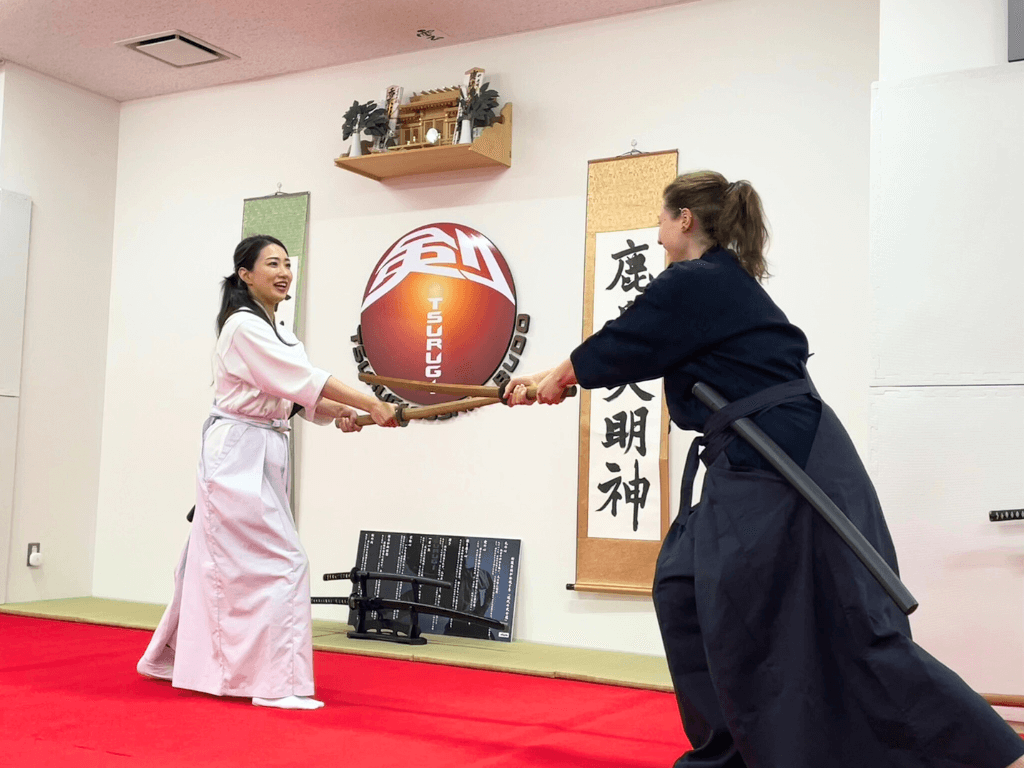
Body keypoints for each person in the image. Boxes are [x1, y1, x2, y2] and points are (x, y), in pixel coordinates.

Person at [507, 172, 1024, 767]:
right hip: (762, 457)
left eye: (661, 219)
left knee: (852, 624)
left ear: (684, 220)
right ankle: (730, 753)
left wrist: (559, 377)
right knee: (683, 585)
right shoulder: (713, 284)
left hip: (786, 462)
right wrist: (551, 377)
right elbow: (633, 348)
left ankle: (994, 755)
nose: (656, 233)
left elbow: (625, 340)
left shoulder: (697, 280)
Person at [137, 235, 398, 710]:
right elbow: (307, 380)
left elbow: (294, 396)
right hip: (238, 454)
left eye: (286, 265)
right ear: (245, 274)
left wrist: (343, 412)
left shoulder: (278, 331)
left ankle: (182, 659)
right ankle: (276, 684)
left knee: (216, 560)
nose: (283, 273)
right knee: (282, 563)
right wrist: (371, 402)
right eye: (271, 264)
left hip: (263, 448)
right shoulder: (243, 326)